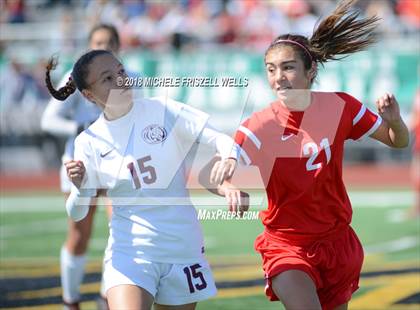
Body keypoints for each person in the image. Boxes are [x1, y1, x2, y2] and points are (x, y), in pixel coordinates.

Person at [229, 0, 409, 309]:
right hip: (287, 245)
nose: (278, 78)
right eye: (271, 70)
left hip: (337, 243)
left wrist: (395, 120)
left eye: (288, 67)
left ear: (311, 70)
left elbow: (398, 141)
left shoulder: (340, 107)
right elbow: (228, 164)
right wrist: (230, 185)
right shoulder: (259, 124)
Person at [45, 49, 240, 310]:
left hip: (182, 248)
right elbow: (77, 213)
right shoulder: (88, 142)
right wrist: (80, 190)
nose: (121, 80)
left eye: (121, 72)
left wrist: (228, 158)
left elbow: (221, 139)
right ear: (89, 95)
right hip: (130, 254)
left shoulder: (162, 108)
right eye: (107, 78)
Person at [41, 24, 122, 309]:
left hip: (116, 166)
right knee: (79, 234)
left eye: (110, 42)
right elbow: (48, 120)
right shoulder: (74, 78)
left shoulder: (129, 78)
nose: (104, 47)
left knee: (121, 231)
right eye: (98, 42)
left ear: (118, 47)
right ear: (89, 45)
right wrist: (80, 127)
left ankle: (105, 296)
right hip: (80, 166)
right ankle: (70, 300)